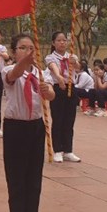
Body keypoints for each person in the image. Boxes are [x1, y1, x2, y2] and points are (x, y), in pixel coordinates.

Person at [0, 32, 55, 212]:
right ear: (14, 52)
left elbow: (51, 95)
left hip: (36, 126)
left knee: (33, 177)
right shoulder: (9, 70)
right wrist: (26, 61)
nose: (27, 51)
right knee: (15, 176)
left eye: (31, 47)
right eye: (22, 47)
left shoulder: (41, 73)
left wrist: (47, 91)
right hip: (15, 127)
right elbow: (14, 74)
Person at [45, 31, 79, 162]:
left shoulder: (72, 56)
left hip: (71, 88)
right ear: (53, 43)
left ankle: (68, 150)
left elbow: (78, 68)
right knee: (58, 119)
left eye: (64, 40)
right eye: (59, 40)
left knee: (69, 120)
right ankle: (58, 150)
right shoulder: (50, 57)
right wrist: (59, 77)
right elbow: (53, 67)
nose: (62, 43)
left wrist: (74, 62)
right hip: (58, 88)